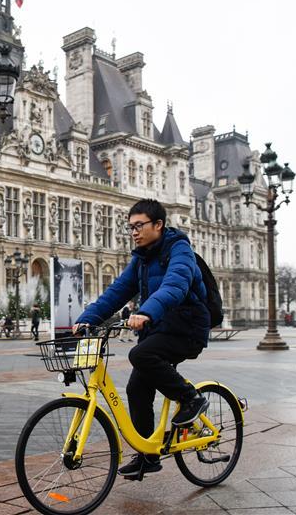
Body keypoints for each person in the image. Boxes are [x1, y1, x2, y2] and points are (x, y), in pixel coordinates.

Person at [73, 199, 210, 479]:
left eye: (139, 226)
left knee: (140, 356)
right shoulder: (141, 258)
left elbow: (176, 284)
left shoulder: (180, 249)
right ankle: (148, 455)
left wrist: (146, 311)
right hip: (159, 328)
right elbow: (118, 291)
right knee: (137, 388)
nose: (134, 232)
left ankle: (192, 398)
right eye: (130, 227)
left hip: (187, 327)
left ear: (158, 225)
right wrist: (88, 317)